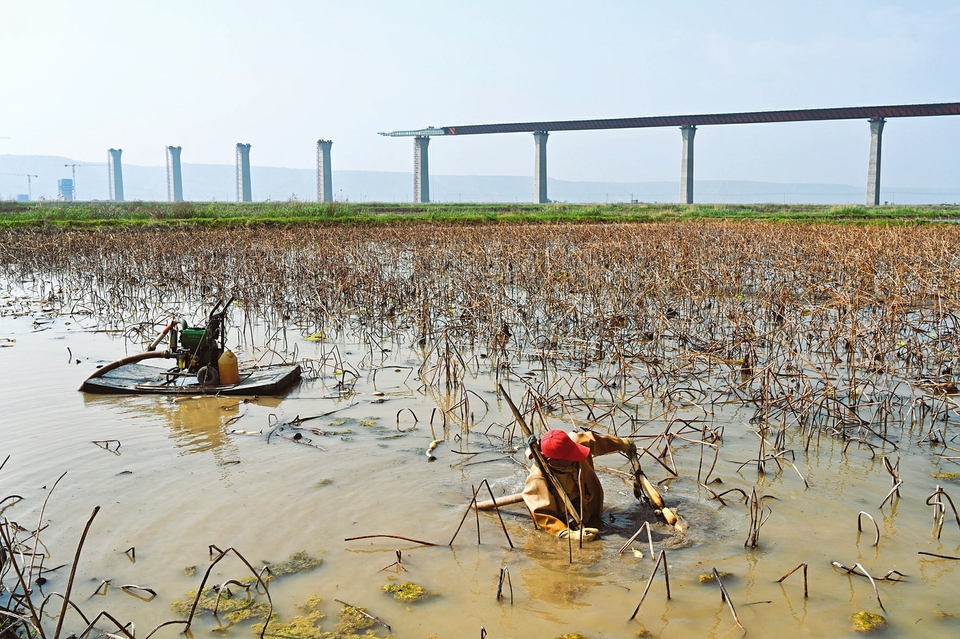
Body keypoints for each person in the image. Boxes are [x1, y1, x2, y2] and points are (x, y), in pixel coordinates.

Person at [522, 429, 636, 542]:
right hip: (568, 519)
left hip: (590, 505)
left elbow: (596, 441)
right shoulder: (538, 478)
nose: (576, 457)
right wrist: (567, 533)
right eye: (569, 457)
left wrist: (622, 444)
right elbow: (542, 514)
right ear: (552, 461)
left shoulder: (575, 443)